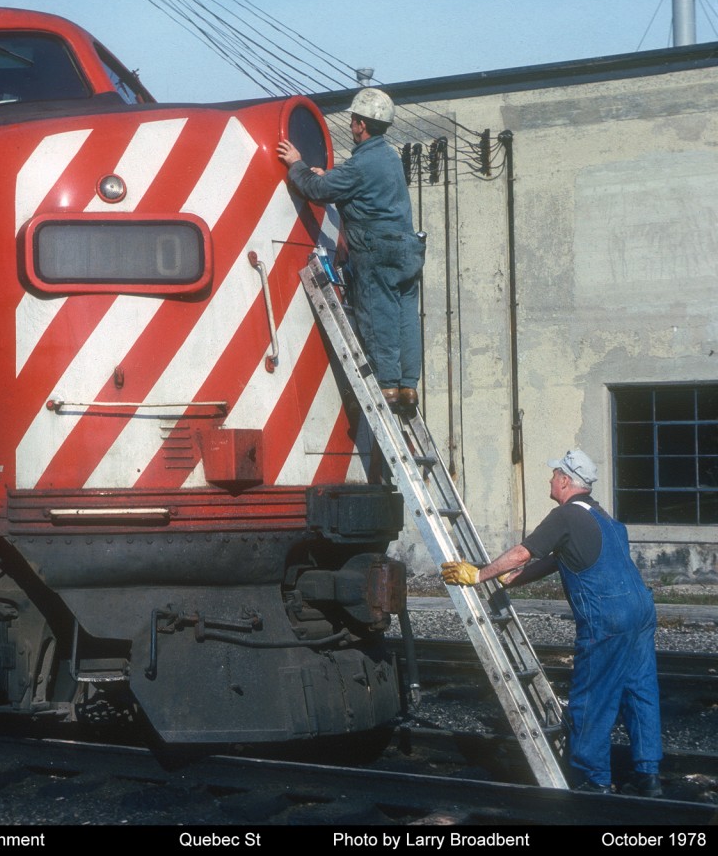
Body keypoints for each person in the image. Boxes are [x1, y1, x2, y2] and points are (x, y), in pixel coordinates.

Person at [440, 449, 663, 797]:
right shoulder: (602, 515)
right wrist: (514, 580)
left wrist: (479, 574)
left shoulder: (564, 516)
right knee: (640, 692)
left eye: (553, 474)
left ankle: (594, 780)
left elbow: (523, 552)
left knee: (592, 695)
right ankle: (649, 776)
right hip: (641, 611)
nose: (549, 479)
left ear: (564, 480)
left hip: (608, 617)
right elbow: (560, 558)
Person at [277, 87, 424, 409]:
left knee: (379, 311)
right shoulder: (390, 158)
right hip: (407, 249)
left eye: (354, 121)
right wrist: (332, 178)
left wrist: (297, 165)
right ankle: (408, 386)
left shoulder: (360, 164)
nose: (351, 126)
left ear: (361, 124)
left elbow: (316, 190)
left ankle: (387, 386)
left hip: (377, 249)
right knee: (405, 317)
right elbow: (361, 191)